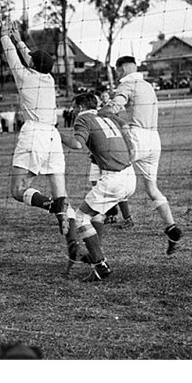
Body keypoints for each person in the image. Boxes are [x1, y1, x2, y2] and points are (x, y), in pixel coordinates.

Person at [0, 19, 77, 264]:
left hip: (34, 135)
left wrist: (5, 37)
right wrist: (19, 39)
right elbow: (30, 57)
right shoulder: (49, 79)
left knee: (17, 191)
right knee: (62, 194)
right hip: (53, 136)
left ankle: (51, 206)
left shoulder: (25, 77)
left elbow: (13, 57)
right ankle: (73, 243)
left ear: (32, 63)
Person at [100, 56, 183, 255]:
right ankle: (171, 227)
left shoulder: (126, 85)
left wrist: (98, 113)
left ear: (120, 70)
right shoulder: (147, 85)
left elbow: (114, 108)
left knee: (106, 175)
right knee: (152, 188)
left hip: (136, 137)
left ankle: (91, 227)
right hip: (154, 139)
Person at [60, 92, 136, 281]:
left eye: (74, 106)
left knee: (81, 217)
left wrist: (55, 133)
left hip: (113, 179)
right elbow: (124, 132)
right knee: (96, 213)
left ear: (79, 107)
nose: (73, 110)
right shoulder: (106, 117)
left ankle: (100, 264)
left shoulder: (83, 118)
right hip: (130, 175)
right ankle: (94, 253)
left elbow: (77, 144)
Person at [95, 89, 134, 228]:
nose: (104, 98)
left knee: (116, 187)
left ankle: (126, 217)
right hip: (97, 157)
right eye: (102, 96)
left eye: (105, 96)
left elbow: (122, 125)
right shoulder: (93, 116)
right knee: (97, 184)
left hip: (111, 156)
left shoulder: (110, 113)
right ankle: (110, 215)